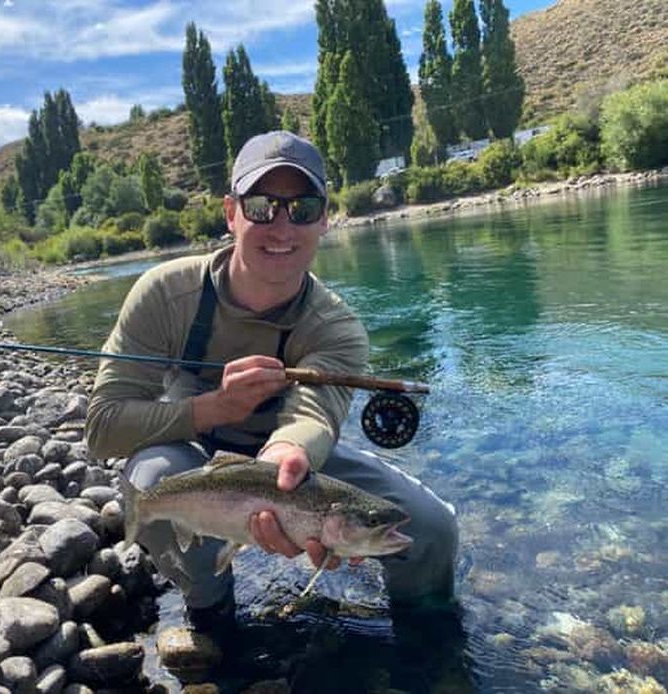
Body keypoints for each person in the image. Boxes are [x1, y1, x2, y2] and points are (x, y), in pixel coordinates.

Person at [85, 131, 458, 637]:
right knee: (152, 483)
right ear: (231, 212)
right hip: (186, 446)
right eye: (262, 205)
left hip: (290, 471)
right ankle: (212, 615)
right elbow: (103, 429)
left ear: (325, 218)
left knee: (432, 529)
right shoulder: (165, 294)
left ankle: (428, 640)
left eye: (302, 208)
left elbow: (312, 417)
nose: (281, 225)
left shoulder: (336, 327)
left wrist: (282, 460)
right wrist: (213, 409)